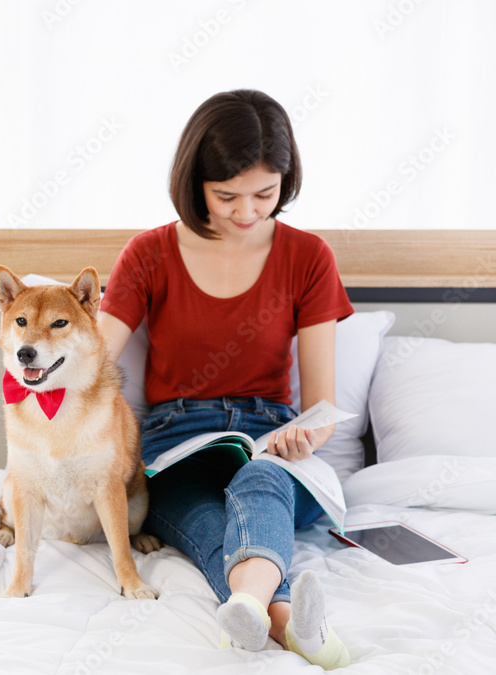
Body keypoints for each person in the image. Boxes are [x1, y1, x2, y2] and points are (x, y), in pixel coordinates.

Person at [99, 89, 352, 669]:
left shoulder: (309, 257)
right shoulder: (148, 254)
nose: (247, 212)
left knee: (260, 479)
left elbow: (320, 407)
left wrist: (304, 438)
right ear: (195, 183)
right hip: (174, 445)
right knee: (210, 519)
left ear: (286, 183)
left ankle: (247, 609)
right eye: (226, 196)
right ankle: (293, 626)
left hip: (272, 441)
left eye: (265, 194)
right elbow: (94, 360)